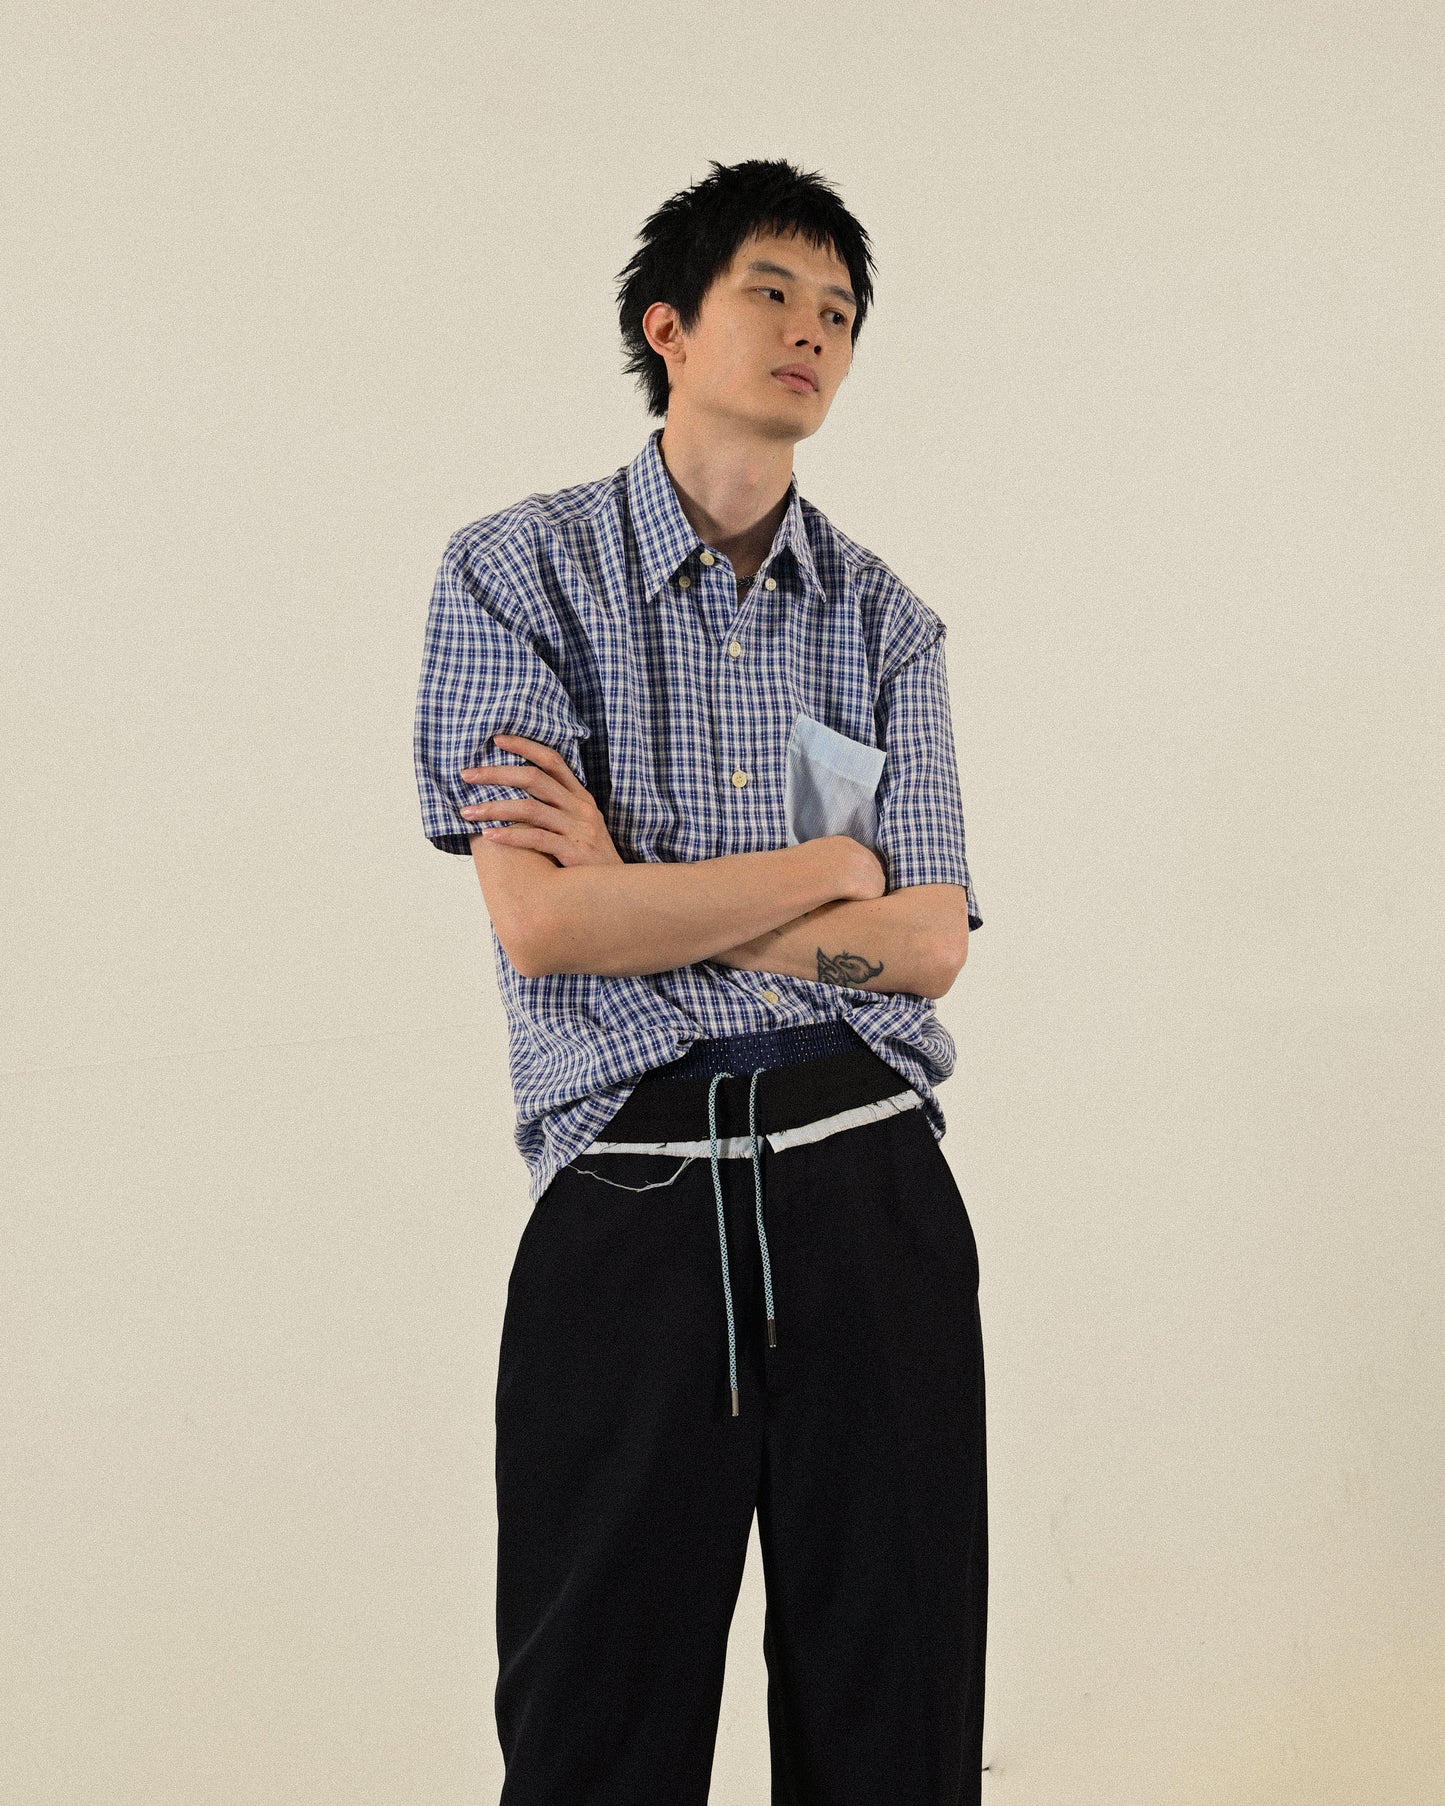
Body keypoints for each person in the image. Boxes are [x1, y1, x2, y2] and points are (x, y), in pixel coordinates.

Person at [412, 156, 988, 1806]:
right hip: (633, 1195)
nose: (812, 331)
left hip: (867, 1184)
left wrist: (642, 890)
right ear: (667, 326)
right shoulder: (518, 573)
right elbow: (543, 926)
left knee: (897, 1723)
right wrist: (819, 879)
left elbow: (928, 944)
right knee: (593, 1726)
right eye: (772, 293)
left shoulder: (882, 622)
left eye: (840, 313)